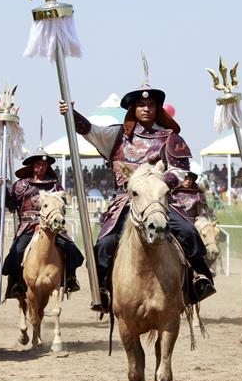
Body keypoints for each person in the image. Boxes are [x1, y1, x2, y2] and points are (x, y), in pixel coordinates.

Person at [59, 80, 216, 313]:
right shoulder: (116, 135)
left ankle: (199, 279)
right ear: (133, 108)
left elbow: (179, 170)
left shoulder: (169, 137)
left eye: (151, 104)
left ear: (157, 108)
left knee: (189, 232)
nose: (146, 109)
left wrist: (158, 184)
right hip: (126, 200)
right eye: (141, 105)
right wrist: (71, 114)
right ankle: (103, 289)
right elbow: (89, 130)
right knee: (104, 244)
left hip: (159, 200)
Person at [0, 151, 84, 299]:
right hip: (28, 226)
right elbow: (12, 205)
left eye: (44, 165)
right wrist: (4, 191)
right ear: (32, 166)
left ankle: (70, 277)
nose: (41, 167)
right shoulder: (21, 184)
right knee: (16, 252)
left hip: (51, 226)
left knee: (71, 249)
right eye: (38, 164)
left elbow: (63, 204)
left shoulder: (54, 185)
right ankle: (15, 283)